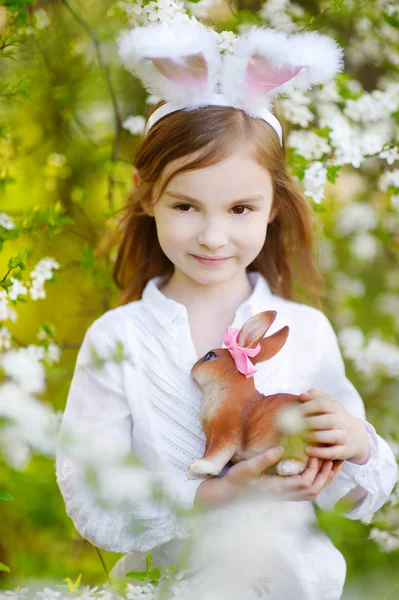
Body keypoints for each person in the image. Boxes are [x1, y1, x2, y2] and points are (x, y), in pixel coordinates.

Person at [55, 20, 397, 599]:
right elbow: (90, 497)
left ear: (272, 206)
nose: (213, 236)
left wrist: (356, 443)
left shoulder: (305, 331)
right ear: (146, 193)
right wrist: (210, 494)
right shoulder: (118, 338)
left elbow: (360, 496)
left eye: (240, 208)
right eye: (187, 205)